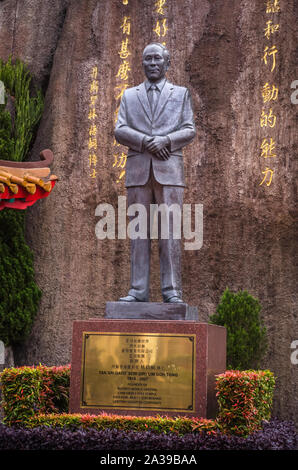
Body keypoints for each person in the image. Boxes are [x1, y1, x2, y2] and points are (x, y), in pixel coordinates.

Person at [114, 42, 196, 303]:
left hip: (169, 172)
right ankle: (138, 291)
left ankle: (172, 292)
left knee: (169, 233)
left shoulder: (181, 94)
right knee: (139, 234)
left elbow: (189, 129)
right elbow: (120, 129)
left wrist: (166, 141)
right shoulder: (129, 95)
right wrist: (145, 140)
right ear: (142, 63)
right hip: (138, 171)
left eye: (157, 59)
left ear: (167, 63)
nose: (152, 63)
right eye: (147, 59)